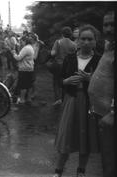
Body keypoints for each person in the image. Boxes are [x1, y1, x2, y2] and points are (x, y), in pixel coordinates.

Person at [52, 24, 101, 177]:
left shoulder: (100, 60)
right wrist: (66, 82)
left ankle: (81, 171)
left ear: (95, 41)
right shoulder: (70, 58)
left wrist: (91, 79)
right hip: (71, 100)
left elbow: (105, 84)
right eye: (83, 39)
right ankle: (58, 171)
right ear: (78, 40)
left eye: (90, 39)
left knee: (85, 137)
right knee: (66, 137)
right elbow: (59, 80)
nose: (86, 42)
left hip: (89, 103)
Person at [88, 11, 115, 177]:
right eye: (106, 24)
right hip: (101, 113)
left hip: (110, 116)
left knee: (110, 161)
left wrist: (113, 112)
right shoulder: (109, 46)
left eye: (113, 24)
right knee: (105, 158)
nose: (109, 28)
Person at [50, 26, 77, 106]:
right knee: (66, 82)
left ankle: (58, 99)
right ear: (70, 34)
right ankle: (64, 99)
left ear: (62, 34)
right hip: (69, 66)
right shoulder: (74, 44)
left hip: (58, 64)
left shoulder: (58, 42)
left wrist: (52, 51)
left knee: (56, 82)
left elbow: (53, 53)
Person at [11, 36, 35, 104]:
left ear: (25, 41)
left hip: (24, 69)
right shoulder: (30, 47)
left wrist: (13, 53)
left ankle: (22, 99)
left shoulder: (26, 48)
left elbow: (18, 58)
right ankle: (29, 98)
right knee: (29, 84)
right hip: (30, 68)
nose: (20, 43)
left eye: (21, 41)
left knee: (23, 85)